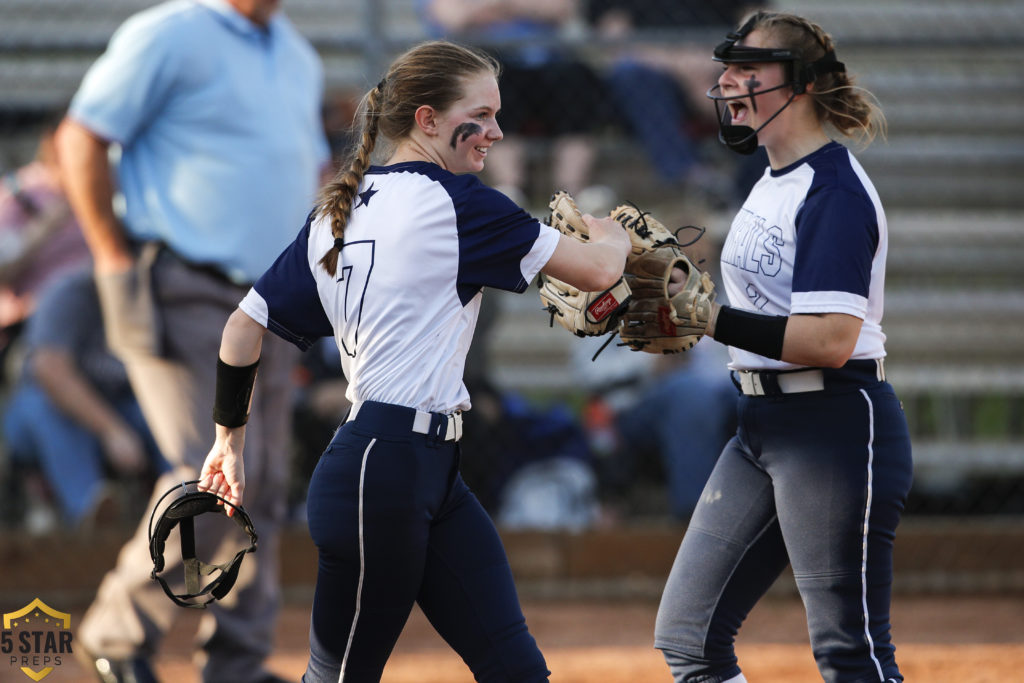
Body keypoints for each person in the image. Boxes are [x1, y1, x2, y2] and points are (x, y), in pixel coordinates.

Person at [198, 39, 630, 683]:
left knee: (514, 667)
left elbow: (241, 328)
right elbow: (598, 271)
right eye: (478, 116)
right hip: (384, 469)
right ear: (427, 120)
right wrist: (615, 233)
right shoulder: (458, 203)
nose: (496, 132)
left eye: (496, 116)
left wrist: (226, 440)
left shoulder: (337, 213)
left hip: (421, 471)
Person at [53, 0, 330, 681]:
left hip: (274, 301)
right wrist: (113, 260)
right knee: (204, 469)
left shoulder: (298, 52)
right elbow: (80, 138)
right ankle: (116, 635)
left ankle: (236, 662)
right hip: (186, 286)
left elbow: (312, 172)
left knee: (259, 479)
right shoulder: (171, 32)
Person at [653, 10, 913, 683]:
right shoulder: (771, 180)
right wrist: (666, 284)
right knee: (688, 635)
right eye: (729, 66)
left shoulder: (835, 191)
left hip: (833, 424)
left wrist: (708, 319)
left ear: (797, 85)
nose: (728, 79)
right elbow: (760, 309)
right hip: (762, 424)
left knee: (850, 654)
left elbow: (830, 338)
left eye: (749, 68)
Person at [2, 267, 167, 528]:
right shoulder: (67, 294)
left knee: (164, 416)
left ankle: (191, 507)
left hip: (118, 406)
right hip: (37, 412)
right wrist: (112, 431)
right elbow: (48, 370)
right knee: (50, 413)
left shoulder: (151, 293)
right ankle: (88, 512)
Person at [418, 0, 615, 212]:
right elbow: (454, 19)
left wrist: (490, 8)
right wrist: (524, 7)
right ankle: (509, 190)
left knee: (577, 79)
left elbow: (561, 9)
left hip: (548, 62)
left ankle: (571, 193)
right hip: (486, 60)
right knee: (491, 84)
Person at [0, 116, 91, 374]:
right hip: (30, 325)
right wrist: (44, 228)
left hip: (89, 320)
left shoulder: (102, 190)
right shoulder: (20, 193)